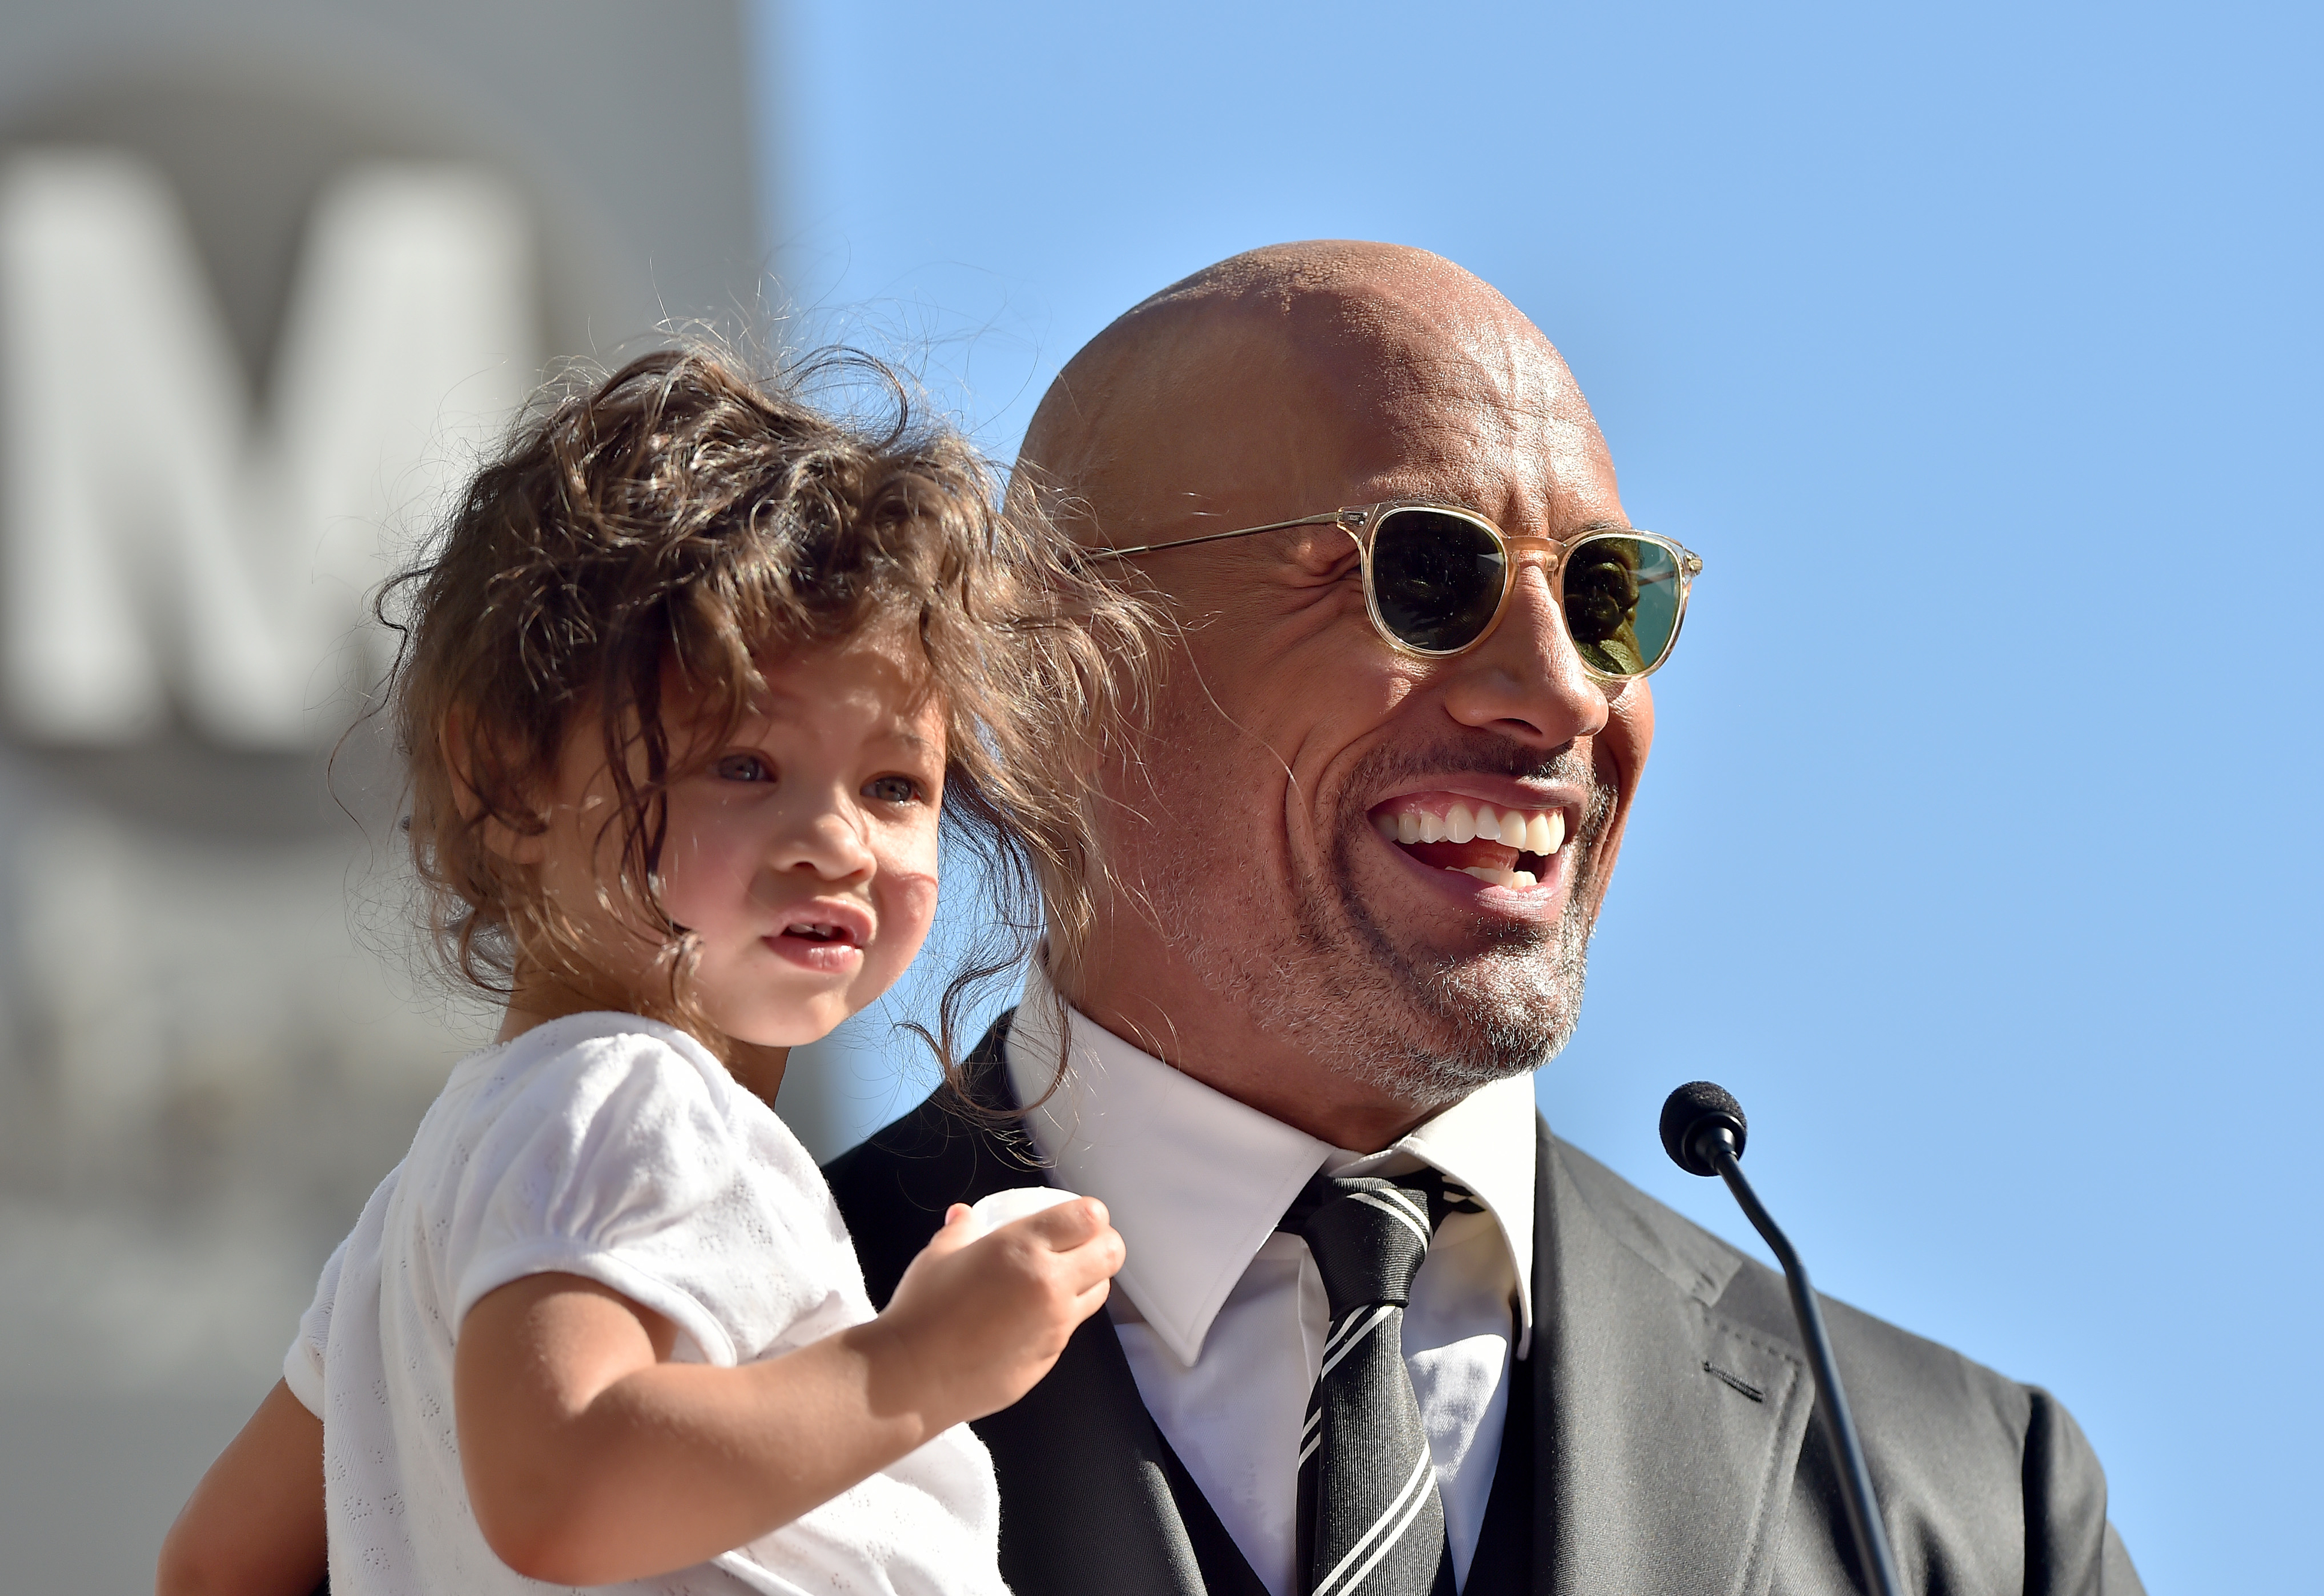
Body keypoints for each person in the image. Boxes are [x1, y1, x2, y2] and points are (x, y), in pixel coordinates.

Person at [827, 243, 2147, 1595]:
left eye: (1603, 597)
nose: (1562, 691)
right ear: (1047, 672)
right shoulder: (712, 1354)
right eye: (1428, 575)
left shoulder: (1972, 1504)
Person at [154, 345, 1136, 1596]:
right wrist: (919, 1363)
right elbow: (562, 1490)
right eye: (742, 763)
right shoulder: (630, 1098)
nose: (837, 838)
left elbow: (216, 1561)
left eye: (894, 784)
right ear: (507, 781)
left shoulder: (422, 1209)